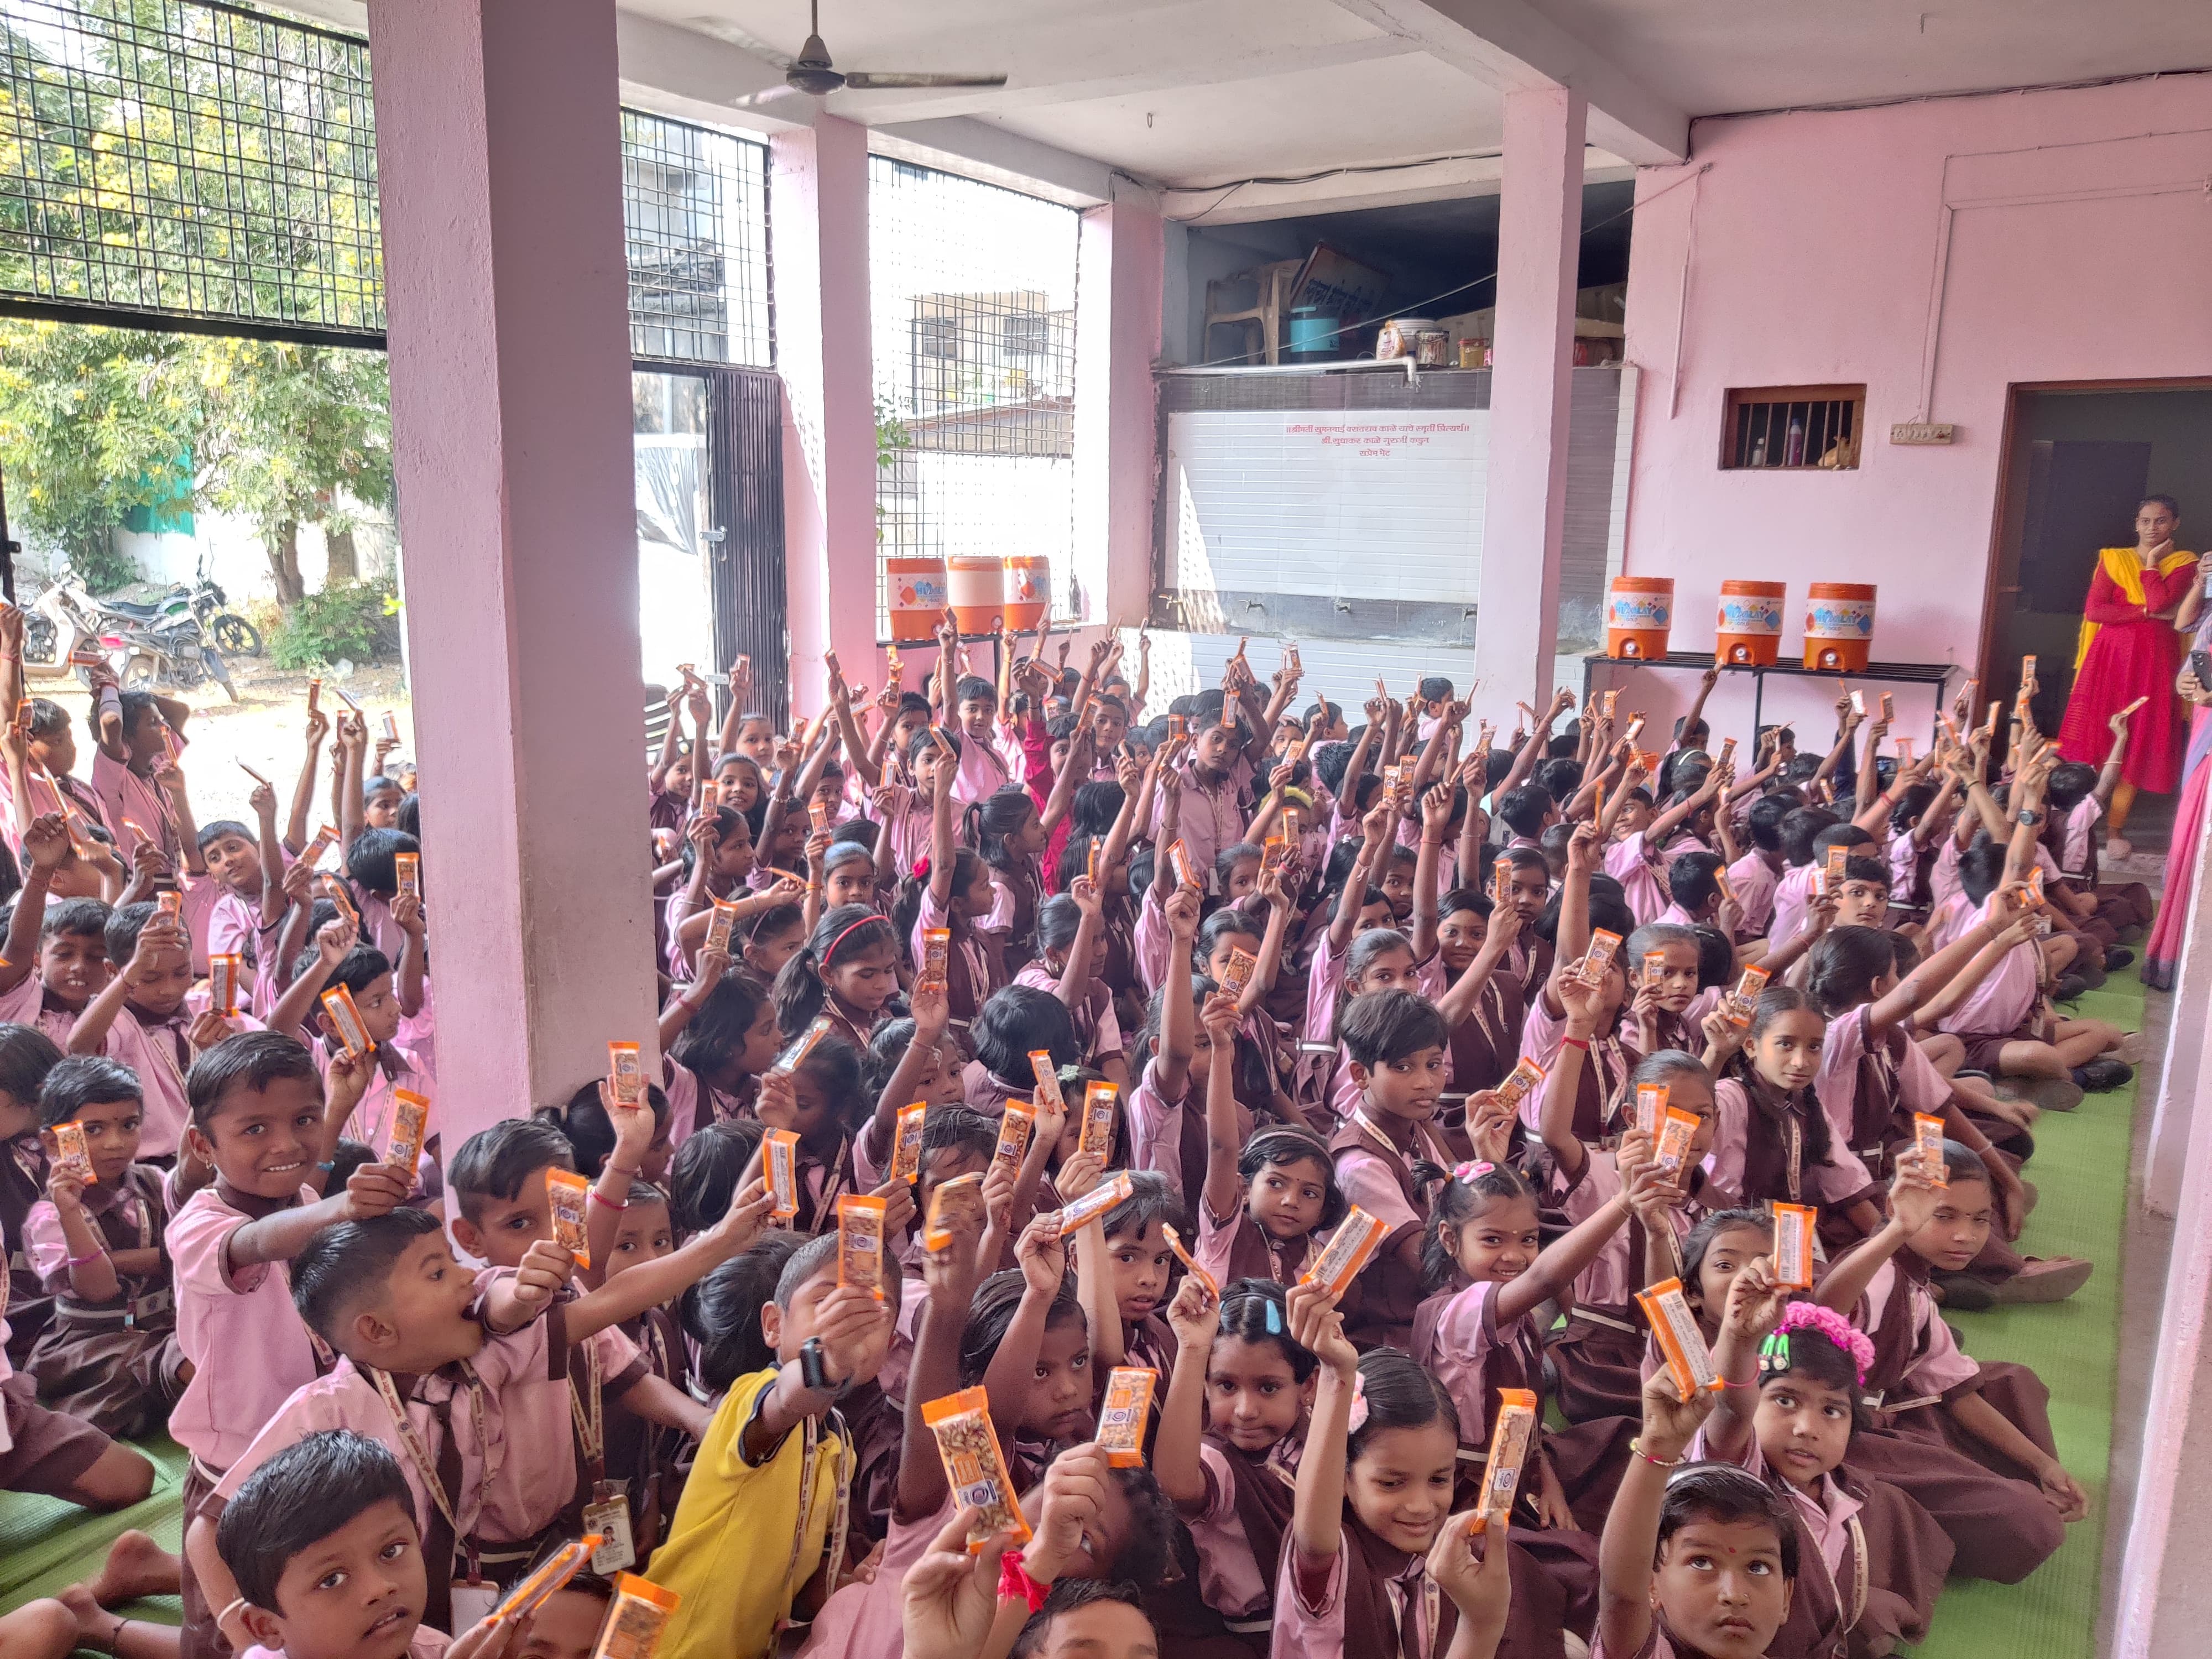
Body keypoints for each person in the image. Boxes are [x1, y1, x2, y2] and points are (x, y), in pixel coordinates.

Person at [2057, 493, 2196, 855]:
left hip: (2155, 663)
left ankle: (2115, 828)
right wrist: (2145, 614)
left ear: (2175, 524)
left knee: (2137, 740)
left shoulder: (2184, 563)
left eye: (2161, 521)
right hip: (2110, 661)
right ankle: (2078, 820)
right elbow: (2095, 611)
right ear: (2136, 523)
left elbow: (2161, 601)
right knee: (2097, 738)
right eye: (2146, 521)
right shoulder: (2113, 559)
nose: (2152, 528)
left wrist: (2151, 563)